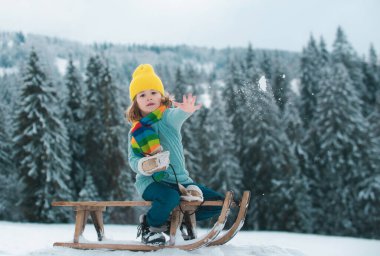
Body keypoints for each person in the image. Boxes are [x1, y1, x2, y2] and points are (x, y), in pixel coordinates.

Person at [126, 64, 224, 245]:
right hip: (152, 182)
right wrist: (145, 166)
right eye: (142, 95)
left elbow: (177, 115)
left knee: (217, 202)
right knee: (170, 197)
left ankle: (179, 219)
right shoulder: (136, 131)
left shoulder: (167, 117)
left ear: (161, 96)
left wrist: (185, 110)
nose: (149, 98)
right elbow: (133, 160)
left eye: (153, 93)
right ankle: (150, 226)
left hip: (181, 181)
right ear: (136, 102)